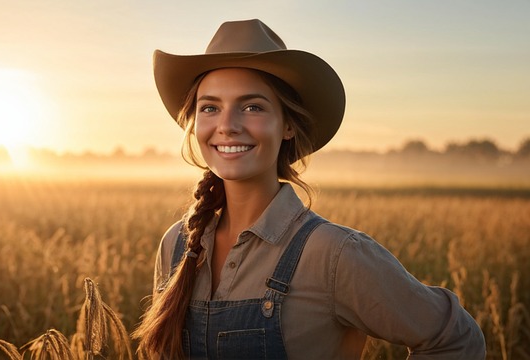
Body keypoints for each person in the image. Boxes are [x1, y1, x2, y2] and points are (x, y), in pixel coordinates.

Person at [132, 19, 486, 359]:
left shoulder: (333, 254)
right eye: (210, 107)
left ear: (287, 125)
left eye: (252, 106)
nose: (227, 126)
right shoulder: (177, 244)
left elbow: (455, 338)